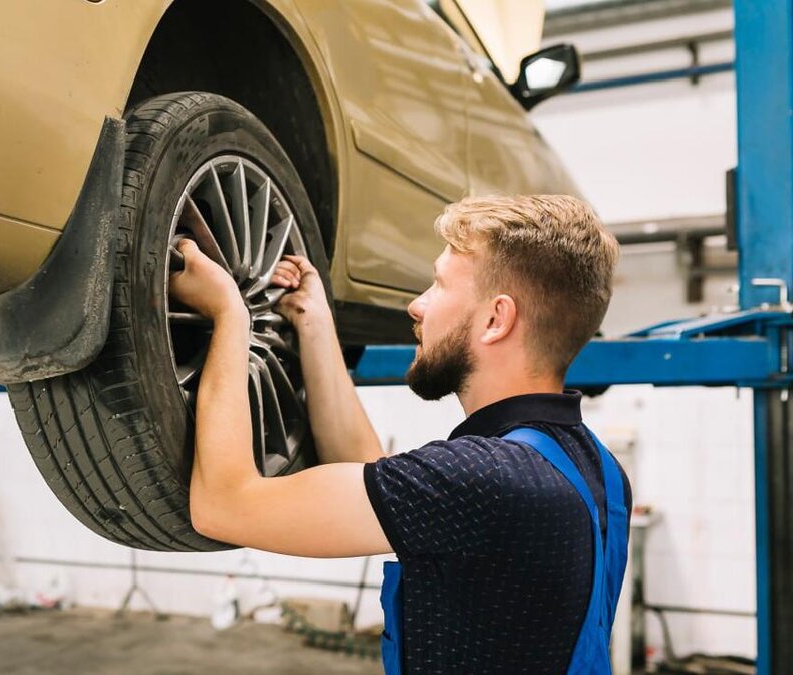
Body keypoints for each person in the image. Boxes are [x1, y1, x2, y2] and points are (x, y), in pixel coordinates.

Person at [168, 194, 630, 674]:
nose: (417, 306)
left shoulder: (482, 477)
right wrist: (313, 320)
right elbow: (379, 480)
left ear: (496, 319)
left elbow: (223, 506)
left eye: (438, 285)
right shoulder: (594, 467)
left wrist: (229, 314)